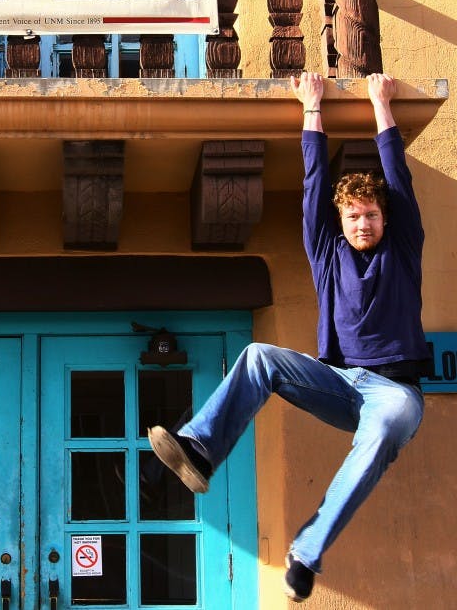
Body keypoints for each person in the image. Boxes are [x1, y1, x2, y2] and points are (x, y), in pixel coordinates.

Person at [148, 72, 430, 602]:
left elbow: (399, 179)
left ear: (385, 220)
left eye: (371, 215)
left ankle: (306, 553)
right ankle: (200, 450)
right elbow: (313, 185)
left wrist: (380, 104)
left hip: (395, 390)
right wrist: (312, 107)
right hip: (340, 382)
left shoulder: (403, 249)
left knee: (384, 427)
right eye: (353, 216)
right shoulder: (326, 253)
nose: (363, 224)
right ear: (340, 221)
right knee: (259, 356)